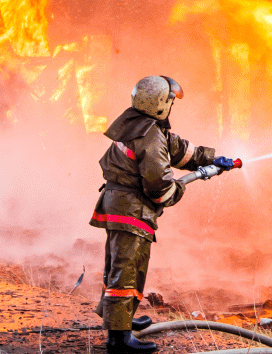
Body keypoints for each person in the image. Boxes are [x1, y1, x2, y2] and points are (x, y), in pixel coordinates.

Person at [88, 76, 237, 354]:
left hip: (121, 204)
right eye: (169, 101)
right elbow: (159, 185)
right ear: (159, 104)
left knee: (122, 268)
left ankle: (123, 321)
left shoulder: (139, 124)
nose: (171, 106)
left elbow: (178, 150)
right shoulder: (149, 135)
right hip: (130, 209)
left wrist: (212, 159)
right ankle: (118, 340)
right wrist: (179, 188)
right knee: (126, 271)